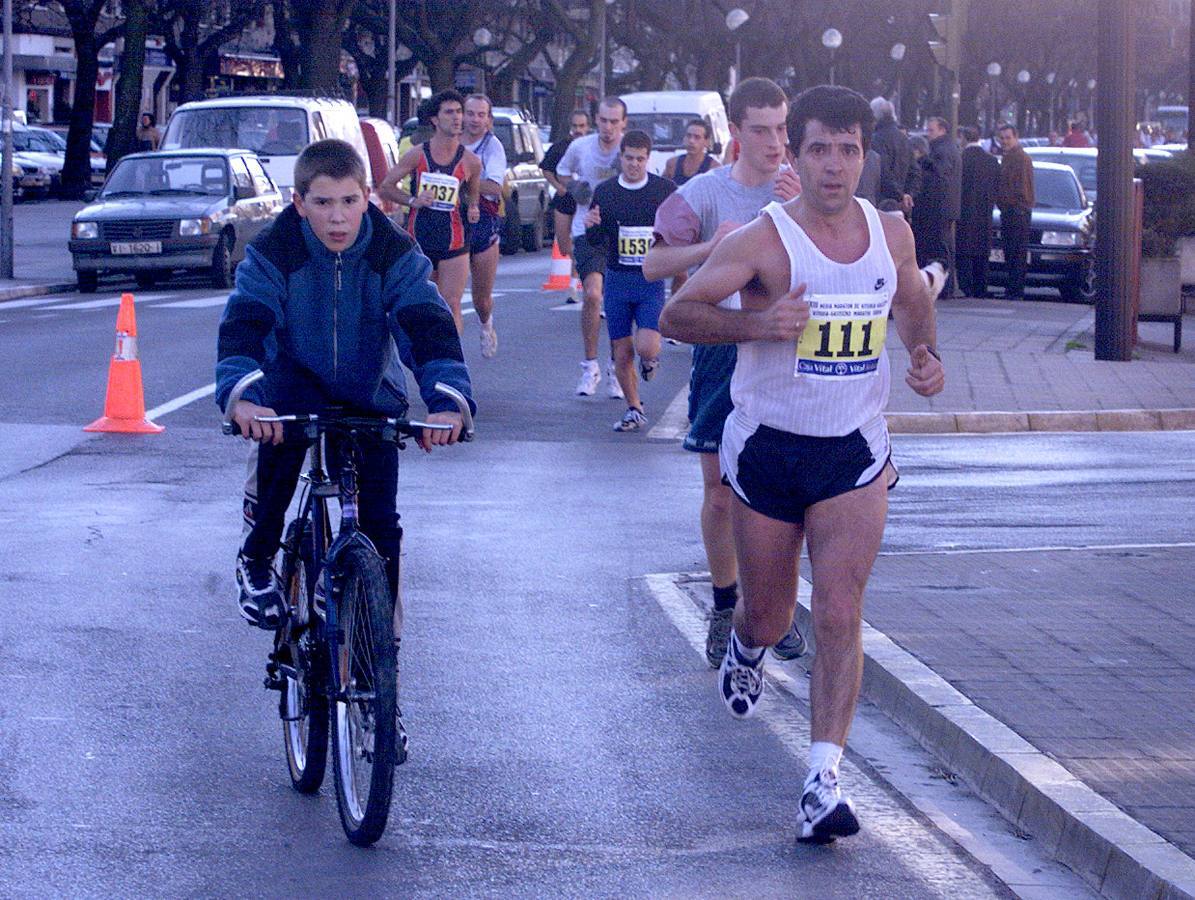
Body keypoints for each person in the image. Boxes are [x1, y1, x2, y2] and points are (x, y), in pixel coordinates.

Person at [658, 85, 945, 844]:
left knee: (842, 612)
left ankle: (822, 780)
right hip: (769, 449)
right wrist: (759, 322)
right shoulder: (762, 239)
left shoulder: (890, 233)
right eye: (817, 148)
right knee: (770, 612)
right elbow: (677, 314)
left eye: (848, 150)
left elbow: (910, 299)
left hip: (853, 449)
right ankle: (747, 648)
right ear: (796, 153)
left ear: (863, 156)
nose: (833, 165)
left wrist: (923, 351)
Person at [216, 138, 474, 629]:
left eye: (350, 202)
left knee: (381, 525)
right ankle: (255, 562)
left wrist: (446, 401)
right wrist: (245, 397)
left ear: (368, 199)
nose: (338, 218)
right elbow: (247, 321)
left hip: (369, 391)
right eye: (323, 203)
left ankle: (382, 656)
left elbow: (425, 322)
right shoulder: (276, 248)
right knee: (279, 453)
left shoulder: (392, 249)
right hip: (293, 387)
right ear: (299, 203)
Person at [644, 77, 805, 668]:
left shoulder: (806, 189)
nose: (775, 142)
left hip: (786, 351)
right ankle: (723, 603)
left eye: (783, 129)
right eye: (761, 130)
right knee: (719, 492)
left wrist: (802, 206)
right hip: (721, 350)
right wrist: (714, 247)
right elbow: (652, 263)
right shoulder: (704, 193)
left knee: (779, 493)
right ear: (734, 133)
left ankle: (772, 606)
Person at [584, 130, 676, 431]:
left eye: (640, 159)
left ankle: (650, 362)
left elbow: (680, 226)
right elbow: (597, 239)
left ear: (648, 160)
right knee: (621, 352)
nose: (634, 164)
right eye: (629, 158)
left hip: (649, 280)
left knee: (647, 346)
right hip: (618, 280)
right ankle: (634, 408)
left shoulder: (663, 190)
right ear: (620, 158)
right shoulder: (606, 192)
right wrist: (591, 227)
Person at [378, 90, 481, 333]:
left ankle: (453, 361)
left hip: (454, 240)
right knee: (425, 305)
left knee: (451, 303)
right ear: (434, 120)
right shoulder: (417, 155)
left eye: (459, 112)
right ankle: (427, 355)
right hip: (420, 238)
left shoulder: (471, 161)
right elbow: (386, 187)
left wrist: (474, 208)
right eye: (449, 112)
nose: (457, 118)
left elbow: (472, 195)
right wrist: (413, 200)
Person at [557, 97, 628, 397]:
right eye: (603, 120)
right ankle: (590, 367)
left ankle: (616, 368)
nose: (608, 127)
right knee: (593, 294)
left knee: (617, 301)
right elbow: (560, 172)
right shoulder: (580, 147)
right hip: (586, 229)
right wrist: (575, 188)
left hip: (622, 233)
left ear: (624, 123)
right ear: (596, 119)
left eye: (614, 122)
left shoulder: (629, 151)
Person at [463, 94, 505, 358]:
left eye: (481, 115)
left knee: (481, 298)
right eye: (470, 113)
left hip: (482, 222)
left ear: (488, 120)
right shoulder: (449, 143)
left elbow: (494, 187)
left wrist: (463, 184)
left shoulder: (492, 147)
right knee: (447, 295)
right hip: (451, 220)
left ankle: (486, 324)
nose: (475, 119)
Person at [541, 110, 592, 303]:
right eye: (575, 126)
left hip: (585, 201)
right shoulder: (560, 147)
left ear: (588, 127)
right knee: (564, 246)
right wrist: (558, 186)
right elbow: (546, 169)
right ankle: (579, 263)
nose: (578, 130)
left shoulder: (593, 147)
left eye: (582, 126)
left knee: (583, 242)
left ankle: (574, 283)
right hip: (565, 199)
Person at [913, 116, 960, 295]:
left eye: (931, 130)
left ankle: (945, 285)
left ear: (942, 130)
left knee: (942, 246)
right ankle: (946, 285)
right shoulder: (948, 147)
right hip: (946, 206)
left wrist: (924, 160)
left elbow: (941, 173)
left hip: (940, 206)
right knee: (943, 244)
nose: (928, 134)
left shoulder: (942, 149)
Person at [957, 126, 1000, 298]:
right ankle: (981, 287)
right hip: (984, 213)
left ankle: (966, 287)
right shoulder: (991, 161)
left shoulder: (961, 159)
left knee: (965, 251)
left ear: (963, 138)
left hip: (964, 213)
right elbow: (997, 185)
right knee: (982, 252)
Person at [995, 123, 1035, 301]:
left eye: (1008, 138)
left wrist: (1014, 204)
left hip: (1017, 211)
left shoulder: (1020, 158)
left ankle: (1015, 290)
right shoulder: (1010, 157)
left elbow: (1022, 188)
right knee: (1011, 252)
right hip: (1011, 210)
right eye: (1002, 138)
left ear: (1016, 137)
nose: (1004, 141)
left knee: (1016, 253)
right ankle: (1013, 288)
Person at [869, 98, 913, 216]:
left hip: (882, 203)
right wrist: (907, 195)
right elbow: (914, 171)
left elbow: (882, 171)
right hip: (902, 204)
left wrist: (899, 195)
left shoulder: (875, 139)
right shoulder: (905, 139)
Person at [664, 119, 719, 187]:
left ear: (706, 142)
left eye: (697, 137)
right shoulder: (672, 164)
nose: (691, 141)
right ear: (684, 138)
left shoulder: (714, 168)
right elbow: (661, 191)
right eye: (688, 136)